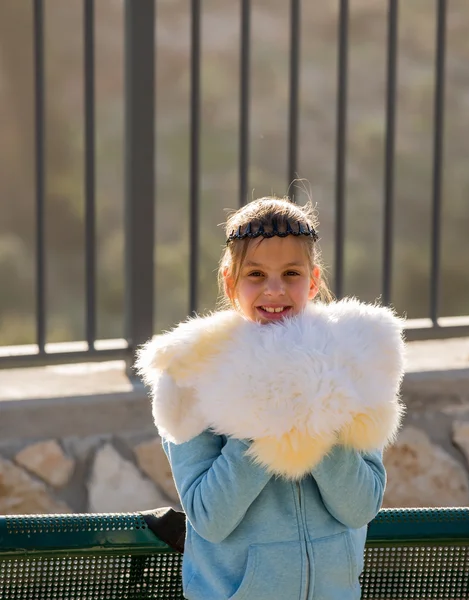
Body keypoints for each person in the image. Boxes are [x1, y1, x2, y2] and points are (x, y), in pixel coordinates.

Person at [136, 196, 405, 600]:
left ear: (313, 280)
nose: (274, 290)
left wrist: (316, 404)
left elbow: (360, 507)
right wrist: (263, 415)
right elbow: (210, 517)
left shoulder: (351, 360)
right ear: (230, 281)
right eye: (256, 274)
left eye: (291, 273)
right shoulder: (194, 373)